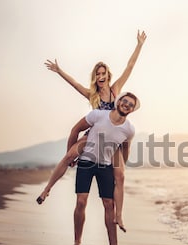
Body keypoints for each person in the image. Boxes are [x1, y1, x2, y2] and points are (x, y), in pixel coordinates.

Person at [37, 30, 147, 233]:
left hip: (112, 140)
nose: (101, 77)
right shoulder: (92, 94)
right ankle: (46, 190)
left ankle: (119, 215)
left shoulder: (116, 89)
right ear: (95, 78)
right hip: (94, 134)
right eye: (98, 74)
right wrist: (60, 71)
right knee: (70, 154)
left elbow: (129, 67)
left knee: (121, 175)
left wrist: (139, 45)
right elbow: (75, 84)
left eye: (104, 74)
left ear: (108, 75)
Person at [68, 92, 139, 245]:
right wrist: (70, 155)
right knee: (81, 202)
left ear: (132, 110)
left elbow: (126, 148)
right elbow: (76, 129)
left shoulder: (129, 129)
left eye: (131, 104)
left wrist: (120, 167)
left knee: (109, 204)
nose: (126, 104)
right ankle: (77, 242)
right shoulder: (98, 115)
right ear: (119, 101)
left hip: (106, 165)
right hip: (87, 161)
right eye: (125, 101)